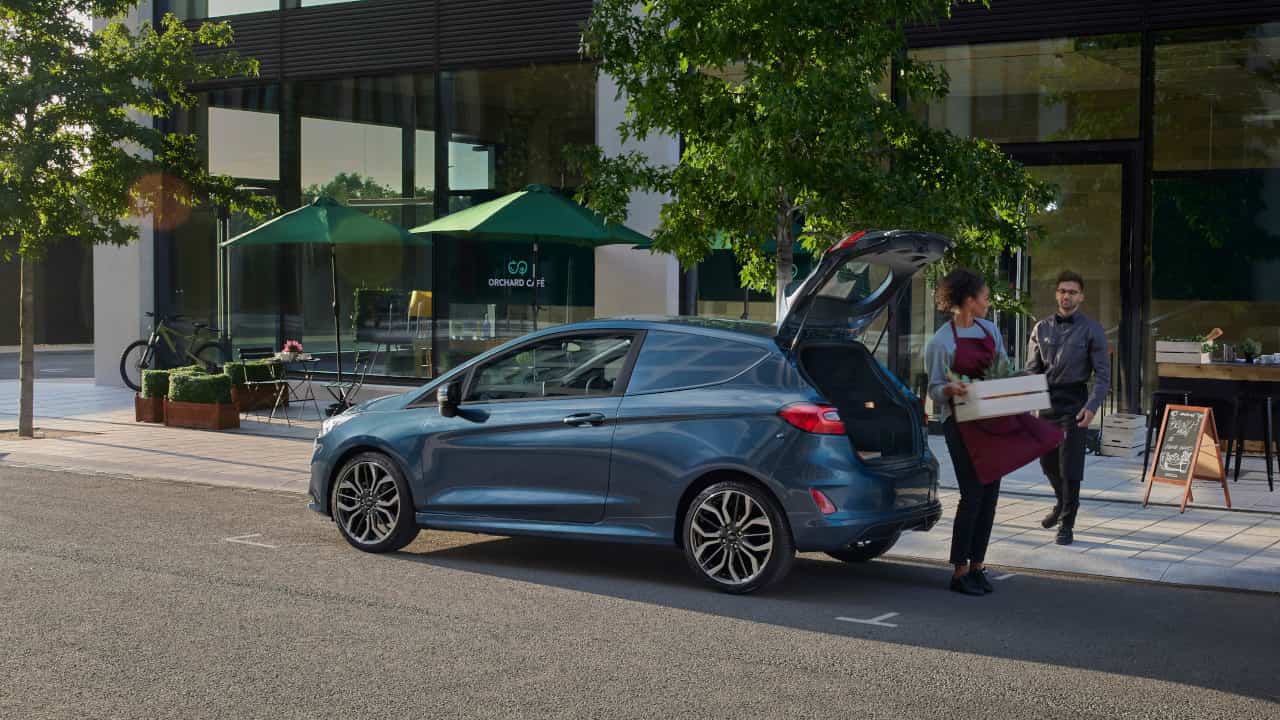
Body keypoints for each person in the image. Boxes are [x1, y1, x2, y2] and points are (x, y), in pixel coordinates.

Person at [925, 269, 1007, 596]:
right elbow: (932, 390)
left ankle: (978, 566)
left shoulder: (991, 330)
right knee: (973, 492)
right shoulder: (941, 342)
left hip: (990, 419)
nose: (989, 302)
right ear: (969, 301)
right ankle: (959, 571)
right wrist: (950, 388)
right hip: (958, 422)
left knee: (990, 493)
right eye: (985, 297)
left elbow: (1003, 370)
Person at [1027, 270, 1110, 546]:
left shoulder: (1092, 329)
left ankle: (1066, 523)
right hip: (1046, 402)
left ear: (1081, 296)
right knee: (1047, 462)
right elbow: (1032, 371)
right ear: (1056, 294)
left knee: (1070, 467)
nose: (1066, 296)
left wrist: (1092, 405)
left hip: (1075, 401)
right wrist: (1029, 405)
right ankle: (1062, 503)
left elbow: (1103, 374)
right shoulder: (1040, 328)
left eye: (1072, 292)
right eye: (1062, 290)